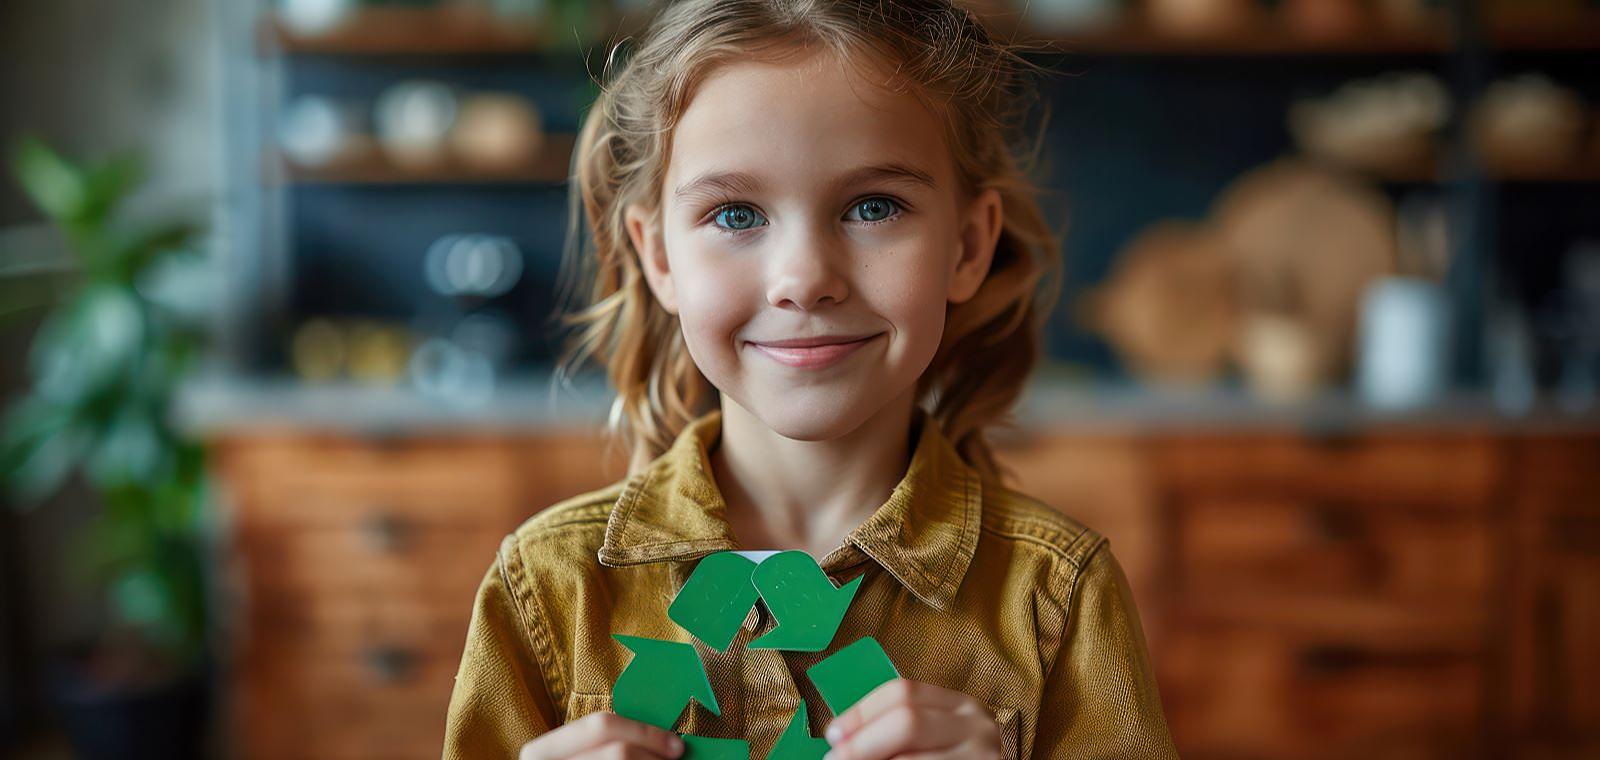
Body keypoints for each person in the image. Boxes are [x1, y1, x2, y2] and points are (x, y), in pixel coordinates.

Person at [443, 0, 1178, 757]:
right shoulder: (546, 588)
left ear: (966, 246)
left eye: (873, 206)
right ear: (658, 256)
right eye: (734, 215)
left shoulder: (1057, 596)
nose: (804, 279)